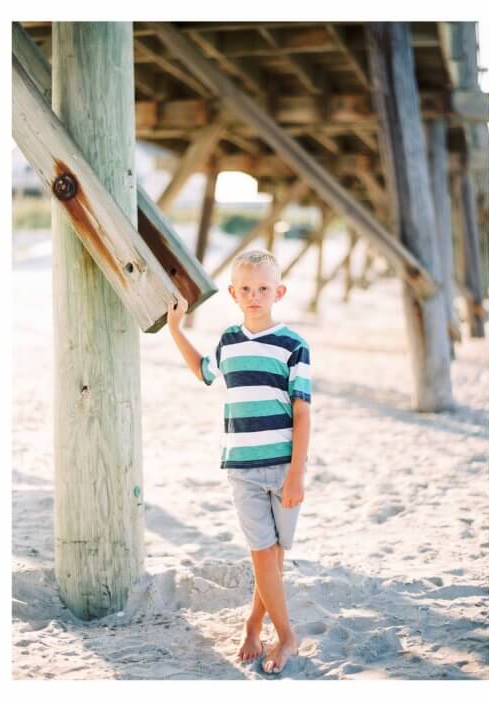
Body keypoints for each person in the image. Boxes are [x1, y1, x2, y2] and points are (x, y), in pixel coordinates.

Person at [166, 249, 311, 674]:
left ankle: (252, 623)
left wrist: (297, 475)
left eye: (263, 289)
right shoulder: (229, 341)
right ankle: (287, 637)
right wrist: (176, 328)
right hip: (241, 469)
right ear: (232, 293)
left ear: (278, 292)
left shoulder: (293, 346)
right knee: (262, 555)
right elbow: (203, 371)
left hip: (284, 468)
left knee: (276, 557)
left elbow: (302, 413)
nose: (254, 296)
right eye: (245, 289)